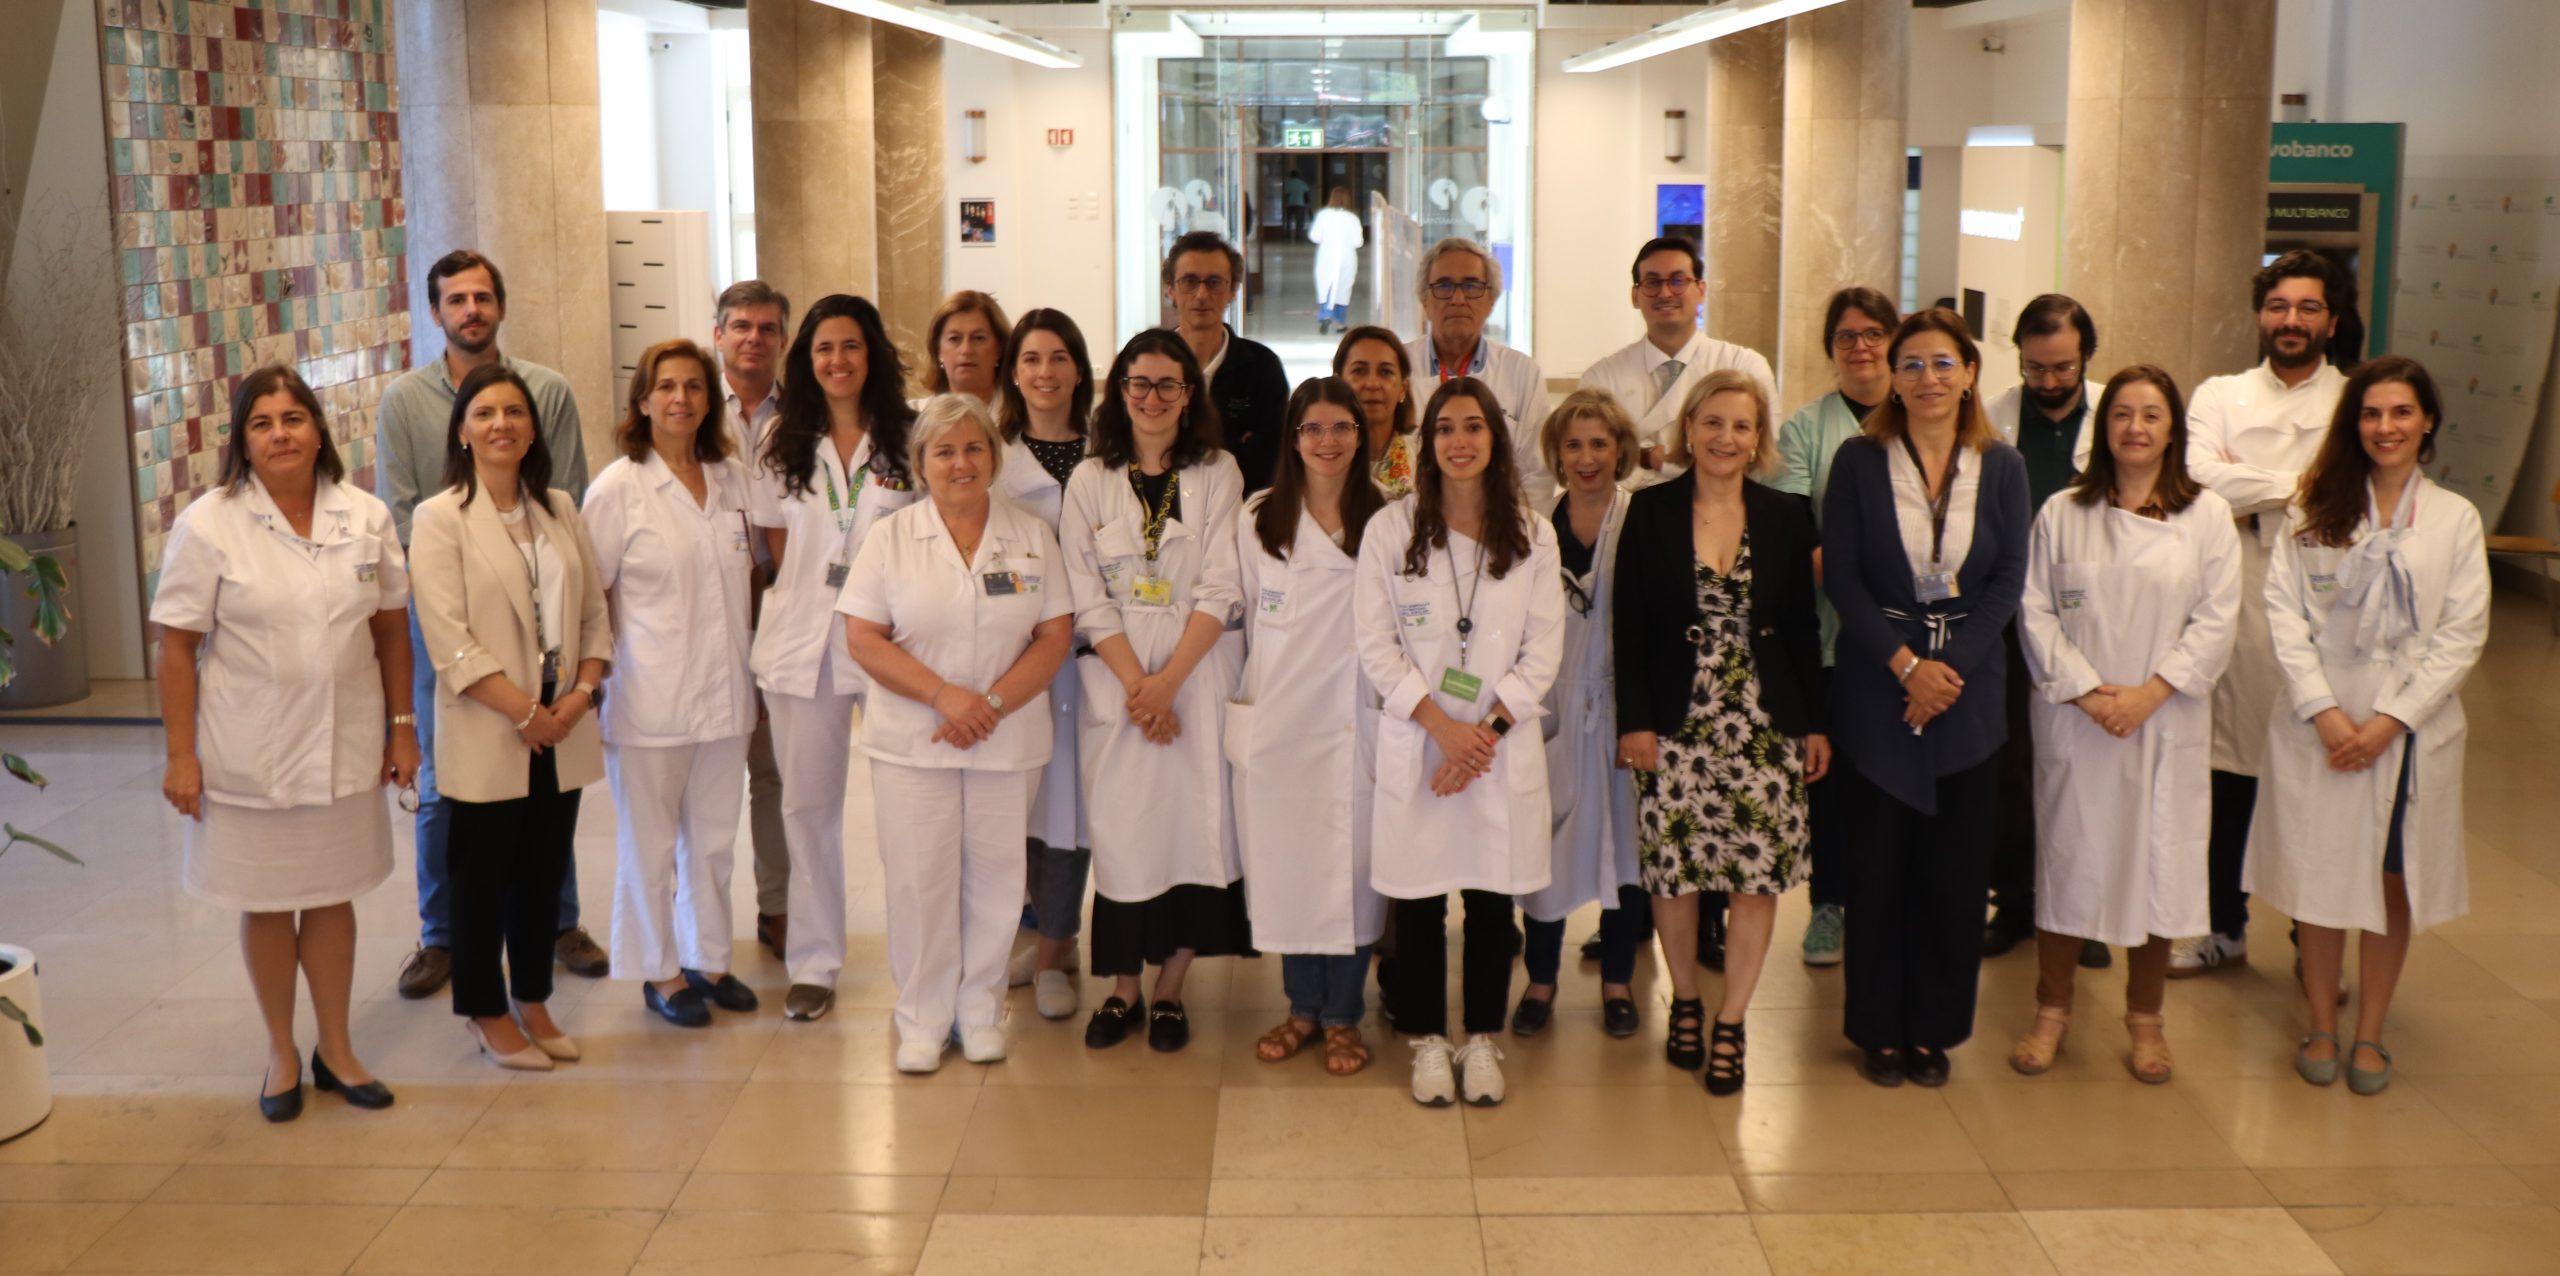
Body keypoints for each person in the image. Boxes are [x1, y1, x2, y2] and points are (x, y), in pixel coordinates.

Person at [154, 365, 409, 1121]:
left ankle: (337, 1048)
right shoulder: (209, 523)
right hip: (247, 751)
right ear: (242, 440)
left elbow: (391, 630)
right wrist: (181, 755)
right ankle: (281, 1052)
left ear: (318, 430)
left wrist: (402, 729)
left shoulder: (364, 514)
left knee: (330, 896)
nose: (280, 435)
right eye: (261, 423)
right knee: (265, 903)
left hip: (345, 740)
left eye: (293, 418)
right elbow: (176, 648)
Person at [2251, 356, 2487, 1096]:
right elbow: (2283, 615)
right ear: (2353, 424)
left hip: (2408, 731)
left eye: (2401, 412)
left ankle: (2371, 1030)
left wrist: (2391, 722)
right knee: (2320, 874)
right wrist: (2323, 710)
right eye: (2372, 413)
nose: (2386, 427)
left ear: (2428, 421)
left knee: (2391, 878)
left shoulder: (2453, 519)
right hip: (2321, 725)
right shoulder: (2312, 509)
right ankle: (2322, 1022)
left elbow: (2462, 633)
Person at [376, 249, 605, 1000]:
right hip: (449, 610)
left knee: (548, 772)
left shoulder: (547, 390)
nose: (470, 309)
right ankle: (443, 935)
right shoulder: (405, 400)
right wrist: (460, 587)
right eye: (455, 299)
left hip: (546, 607)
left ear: (500, 306)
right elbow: (402, 511)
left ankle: (556, 923)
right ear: (435, 311)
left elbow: (565, 494)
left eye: (481, 297)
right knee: (451, 779)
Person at [2010, 366, 2241, 1084]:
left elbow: (2216, 619)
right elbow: (2034, 610)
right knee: (2068, 862)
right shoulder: (2062, 513)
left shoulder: (2206, 516)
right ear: (2102, 426)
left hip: (2164, 720)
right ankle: (2052, 1008)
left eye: (2151, 415)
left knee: (2158, 867)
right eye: (2121, 414)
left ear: (2173, 431)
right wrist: (2088, 693)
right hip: (2079, 722)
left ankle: (2146, 1018)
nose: (2135, 428)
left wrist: (2149, 695)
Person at [1823, 309, 2031, 1088]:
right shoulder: (1858, 460)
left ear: (1970, 373)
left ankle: (1933, 1030)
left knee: (1953, 874)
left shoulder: (2002, 466)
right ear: (1892, 378)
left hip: (1968, 695)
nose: (1927, 379)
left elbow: (2008, 578)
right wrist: (1908, 666)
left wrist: (1949, 672)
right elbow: (1844, 576)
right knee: (1878, 870)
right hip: (1880, 683)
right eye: (1910, 364)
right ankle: (1878, 1029)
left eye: (1943, 363)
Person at [841, 395, 1076, 1073]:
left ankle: (979, 1011)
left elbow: (1054, 634)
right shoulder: (890, 538)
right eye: (943, 451)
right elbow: (863, 637)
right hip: (914, 739)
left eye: (974, 448)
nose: (960, 463)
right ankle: (923, 1016)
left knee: (998, 880)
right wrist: (944, 697)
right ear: (921, 464)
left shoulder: (1031, 534)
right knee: (921, 880)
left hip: (1006, 735)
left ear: (994, 459)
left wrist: (990, 705)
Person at [1614, 371, 1827, 1095]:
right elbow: (1628, 627)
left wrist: (1814, 724)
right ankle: (1686, 998)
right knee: (1675, 872)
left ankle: (1732, 1020)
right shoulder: (1649, 512)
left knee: (1755, 879)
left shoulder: (1786, 515)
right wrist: (1636, 723)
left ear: (1758, 437)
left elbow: (1802, 631)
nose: (1725, 438)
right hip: (1677, 722)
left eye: (1741, 425)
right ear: (1689, 430)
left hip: (1765, 724)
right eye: (1712, 423)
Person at [1355, 376, 1564, 1108]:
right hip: (1421, 742)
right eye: (1445, 428)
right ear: (1428, 443)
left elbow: (1542, 652)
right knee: (1416, 902)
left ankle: (1480, 1038)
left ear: (1496, 440)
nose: (1459, 441)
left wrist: (1480, 741)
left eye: (1473, 427)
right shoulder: (1391, 531)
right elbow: (1376, 645)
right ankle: (1425, 1040)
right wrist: (1444, 732)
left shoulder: (1533, 535)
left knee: (1490, 901)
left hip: (1495, 753)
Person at [410, 363, 614, 1071]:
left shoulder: (559, 507)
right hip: (492, 723)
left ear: (533, 431)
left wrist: (579, 697)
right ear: (463, 432)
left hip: (562, 719)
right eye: (486, 413)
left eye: (515, 413)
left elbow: (594, 615)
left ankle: (532, 997)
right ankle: (485, 1009)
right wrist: (526, 713)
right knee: (481, 878)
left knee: (543, 871)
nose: (502, 424)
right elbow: (449, 640)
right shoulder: (439, 518)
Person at [1061, 329, 1251, 1054]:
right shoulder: (1091, 479)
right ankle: (1123, 991)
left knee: (1193, 833)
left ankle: (1170, 990)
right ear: (1120, 392)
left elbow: (1222, 584)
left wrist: (1168, 684)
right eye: (1138, 383)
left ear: (1189, 395)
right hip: (1119, 686)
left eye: (1169, 384)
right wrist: (1140, 689)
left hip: (1194, 679)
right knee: (1125, 835)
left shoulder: (1219, 472)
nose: (1152, 397)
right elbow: (1086, 596)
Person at [2176, 250, 2355, 979]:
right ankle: (2224, 926)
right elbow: (2197, 480)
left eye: (2308, 308)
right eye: (2279, 306)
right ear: (2260, 315)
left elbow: (2352, 489)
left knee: (2319, 787)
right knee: (2233, 777)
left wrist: (2255, 496)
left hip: (2332, 608)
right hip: (2241, 604)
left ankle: (2314, 945)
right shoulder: (2221, 394)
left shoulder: (2355, 400)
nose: (2291, 320)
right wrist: (2306, 485)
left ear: (2332, 321)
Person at [749, 295, 922, 1022]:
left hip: (893, 641)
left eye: (851, 346)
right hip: (804, 641)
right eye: (824, 348)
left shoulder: (911, 434)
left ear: (872, 352)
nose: (838, 361)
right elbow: (779, 549)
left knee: (908, 808)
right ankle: (815, 963)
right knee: (808, 805)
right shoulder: (779, 439)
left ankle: (922, 970)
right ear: (806, 358)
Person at [584, 339, 759, 1029]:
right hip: (649, 696)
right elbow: (593, 596)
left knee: (713, 839)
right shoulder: (618, 488)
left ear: (710, 400)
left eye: (693, 386)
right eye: (666, 387)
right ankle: (659, 971)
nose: (681, 399)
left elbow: (751, 577)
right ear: (643, 400)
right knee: (650, 845)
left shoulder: (733, 479)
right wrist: (596, 680)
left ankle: (708, 960)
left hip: (725, 693)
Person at [1236, 378, 1390, 1077]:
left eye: (1341, 428)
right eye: (1313, 428)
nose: (1328, 441)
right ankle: (1301, 1007)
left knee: (1352, 873)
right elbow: (1246, 612)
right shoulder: (1259, 516)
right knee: (1289, 865)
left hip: (1354, 718)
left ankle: (1343, 1015)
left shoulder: (1386, 517)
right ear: (1293, 439)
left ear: (1361, 435)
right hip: (1281, 719)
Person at [1769, 286, 1900, 968]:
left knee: (1895, 772)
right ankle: (1829, 903)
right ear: (1830, 348)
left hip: (1909, 637)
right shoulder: (1805, 428)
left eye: (1873, 333)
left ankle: (1890, 902)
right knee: (1831, 776)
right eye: (1846, 336)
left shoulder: (1916, 416)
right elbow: (1796, 530)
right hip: (1832, 631)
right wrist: (1855, 597)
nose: (1860, 347)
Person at [1510, 391, 1644, 1040]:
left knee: (1627, 850)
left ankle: (1618, 980)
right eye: (1573, 445)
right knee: (1545, 846)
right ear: (1557, 456)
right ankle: (1541, 980)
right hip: (1551, 708)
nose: (1587, 457)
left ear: (1621, 451)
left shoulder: (1642, 522)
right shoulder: (1536, 531)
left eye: (1599, 443)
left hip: (1624, 706)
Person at [1982, 294, 2107, 967]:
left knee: (2084, 766)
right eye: (2035, 369)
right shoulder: (1995, 416)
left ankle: (2084, 912)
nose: (2050, 382)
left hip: (2094, 617)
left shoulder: (2115, 414)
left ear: (2087, 356)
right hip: (2010, 613)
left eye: (2063, 368)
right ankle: (2016, 901)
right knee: (2013, 764)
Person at [993, 308, 1097, 1020]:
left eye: (1059, 357)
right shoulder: (994, 460)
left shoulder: (1108, 456)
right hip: (1016, 658)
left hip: (1094, 659)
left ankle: (1058, 950)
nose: (1045, 372)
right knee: (1023, 805)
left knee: (1072, 810)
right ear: (1013, 372)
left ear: (1080, 371)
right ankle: (1036, 938)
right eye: (1031, 359)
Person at [711, 280, 795, 962]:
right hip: (706, 615)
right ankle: (700, 927)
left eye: (767, 328)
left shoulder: (804, 416)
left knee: (773, 774)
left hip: (775, 603)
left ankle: (779, 907)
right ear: (719, 335)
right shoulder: (687, 405)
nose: (753, 339)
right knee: (708, 779)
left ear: (783, 340)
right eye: (740, 326)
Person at [1576, 236, 1777, 490]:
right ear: (1635, 296)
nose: (1665, 292)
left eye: (1678, 281)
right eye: (1652, 282)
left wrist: (1646, 457)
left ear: (1701, 290)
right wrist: (1677, 460)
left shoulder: (1744, 366)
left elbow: (1760, 458)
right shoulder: (1600, 378)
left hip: (1721, 507)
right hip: (1624, 511)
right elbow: (1592, 462)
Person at [1405, 237, 1554, 508]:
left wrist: (1515, 530)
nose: (1458, 299)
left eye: (1471, 286)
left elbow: (1537, 474)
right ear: (1424, 301)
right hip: (1413, 523)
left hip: (1502, 525)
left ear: (1491, 301)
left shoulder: (1522, 373)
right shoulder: (1399, 369)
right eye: (1444, 286)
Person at [1163, 231, 1292, 492]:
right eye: (1189, 281)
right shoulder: (1145, 364)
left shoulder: (1263, 368)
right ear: (1170, 289)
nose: (1201, 294)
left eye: (1214, 282)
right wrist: (1235, 447)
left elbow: (1268, 465)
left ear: (1233, 290)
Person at [1335, 325, 1418, 498]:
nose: (1372, 384)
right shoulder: (1320, 456)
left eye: (1385, 372)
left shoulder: (1426, 460)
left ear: (1403, 389)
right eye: (1359, 371)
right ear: (1337, 383)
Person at [925, 290, 1011, 404]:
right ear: (937, 350)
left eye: (978, 338)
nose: (966, 350)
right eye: (954, 339)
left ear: (999, 349)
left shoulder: (1027, 412)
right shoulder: (917, 413)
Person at [1309, 187, 1364, 336]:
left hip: (1326, 256)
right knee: (1343, 289)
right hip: (1347, 257)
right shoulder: (1353, 218)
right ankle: (1341, 324)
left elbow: (1314, 237)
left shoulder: (1323, 215)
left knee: (1326, 286)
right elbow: (1358, 242)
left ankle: (1325, 315)